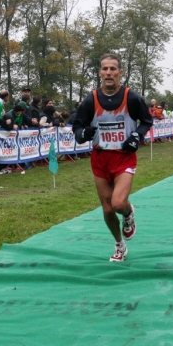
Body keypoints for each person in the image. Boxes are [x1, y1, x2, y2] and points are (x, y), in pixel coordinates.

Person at [72, 54, 153, 262]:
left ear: (120, 73)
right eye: (105, 69)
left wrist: (137, 135)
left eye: (113, 69)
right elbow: (77, 126)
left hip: (123, 157)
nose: (109, 73)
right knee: (107, 208)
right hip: (100, 158)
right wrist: (83, 134)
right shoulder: (91, 99)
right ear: (100, 72)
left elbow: (146, 121)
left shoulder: (131, 97)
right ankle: (119, 245)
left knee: (118, 203)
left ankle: (128, 213)